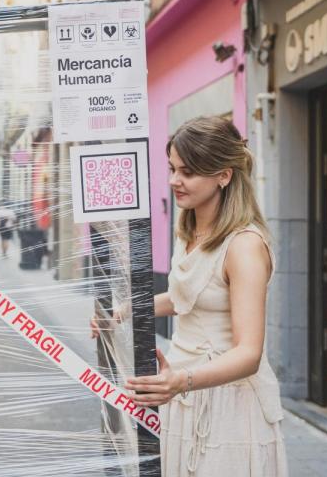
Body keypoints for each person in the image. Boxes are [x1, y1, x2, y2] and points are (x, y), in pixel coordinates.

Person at [124, 116, 287, 476]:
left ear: (223, 176)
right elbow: (186, 299)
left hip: (228, 406)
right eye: (172, 168)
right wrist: (122, 311)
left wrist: (181, 381)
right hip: (182, 396)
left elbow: (249, 353)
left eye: (188, 172)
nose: (174, 181)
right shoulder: (189, 229)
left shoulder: (244, 246)